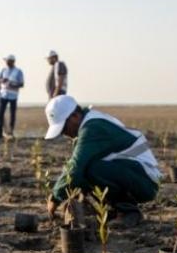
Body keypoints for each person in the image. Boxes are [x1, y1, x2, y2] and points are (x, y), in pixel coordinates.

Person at [43, 95, 161, 226]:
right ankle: (114, 209)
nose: (65, 134)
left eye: (64, 128)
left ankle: (128, 212)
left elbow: (76, 168)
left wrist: (55, 197)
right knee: (87, 169)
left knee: (91, 169)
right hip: (133, 173)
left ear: (75, 116)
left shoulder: (92, 128)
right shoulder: (89, 123)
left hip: (145, 180)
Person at [0, 54, 24, 139]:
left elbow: (21, 84)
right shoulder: (3, 70)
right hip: (3, 95)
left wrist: (11, 84)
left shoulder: (18, 71)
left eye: (7, 61)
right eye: (6, 61)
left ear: (12, 61)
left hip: (13, 96)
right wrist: (2, 80)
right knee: (0, 114)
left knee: (12, 115)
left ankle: (11, 132)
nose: (6, 62)